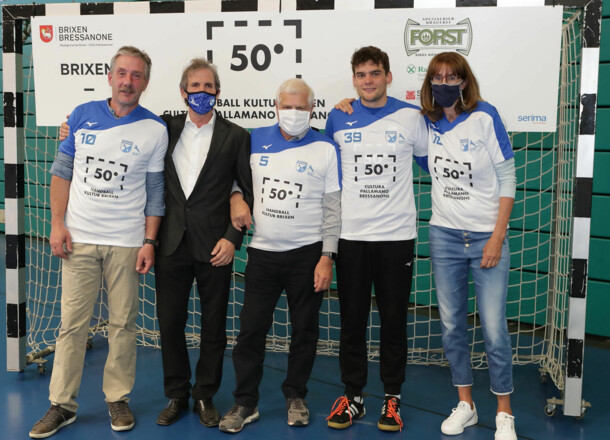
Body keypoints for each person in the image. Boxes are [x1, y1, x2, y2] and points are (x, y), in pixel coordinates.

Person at [29, 46, 168, 438]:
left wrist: (149, 241)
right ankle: (61, 405)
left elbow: (155, 192)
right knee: (72, 326)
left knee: (123, 324)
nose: (128, 81)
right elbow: (61, 172)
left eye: (136, 75)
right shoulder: (80, 115)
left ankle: (117, 398)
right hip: (80, 239)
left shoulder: (155, 129)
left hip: (126, 243)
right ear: (110, 76)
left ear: (145, 81)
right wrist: (57, 224)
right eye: (122, 73)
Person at [218, 78, 342, 434]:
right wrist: (236, 196)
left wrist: (327, 256)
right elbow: (231, 178)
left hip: (308, 256)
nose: (293, 113)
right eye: (287, 107)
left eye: (300, 107)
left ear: (311, 110)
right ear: (276, 108)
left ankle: (296, 395)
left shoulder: (325, 148)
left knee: (305, 331)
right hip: (262, 256)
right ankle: (245, 401)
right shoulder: (253, 139)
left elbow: (333, 209)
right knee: (250, 332)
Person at [324, 46, 427, 432]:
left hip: (396, 237)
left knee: (393, 321)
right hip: (351, 237)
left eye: (375, 73)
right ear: (354, 79)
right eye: (362, 74)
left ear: (389, 76)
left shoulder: (411, 117)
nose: (368, 80)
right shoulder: (338, 116)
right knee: (352, 322)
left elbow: (432, 160)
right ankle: (353, 398)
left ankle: (391, 399)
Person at [420, 52, 517, 440]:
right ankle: (467, 404)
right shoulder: (424, 121)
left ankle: (504, 411)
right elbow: (382, 113)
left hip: (486, 238)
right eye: (437, 76)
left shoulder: (485, 116)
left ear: (464, 80)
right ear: (429, 82)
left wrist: (496, 237)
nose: (444, 82)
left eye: (452, 76)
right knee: (450, 326)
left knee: (493, 328)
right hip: (443, 236)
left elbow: (508, 179)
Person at [154, 58, 253, 428]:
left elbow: (246, 190)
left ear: (218, 92)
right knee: (170, 322)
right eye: (194, 87)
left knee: (213, 327)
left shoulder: (237, 136)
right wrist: (71, 127)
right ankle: (177, 393)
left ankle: (205, 395)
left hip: (217, 248)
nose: (201, 93)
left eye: (207, 87)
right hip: (171, 243)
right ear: (183, 92)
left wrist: (233, 237)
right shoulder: (163, 128)